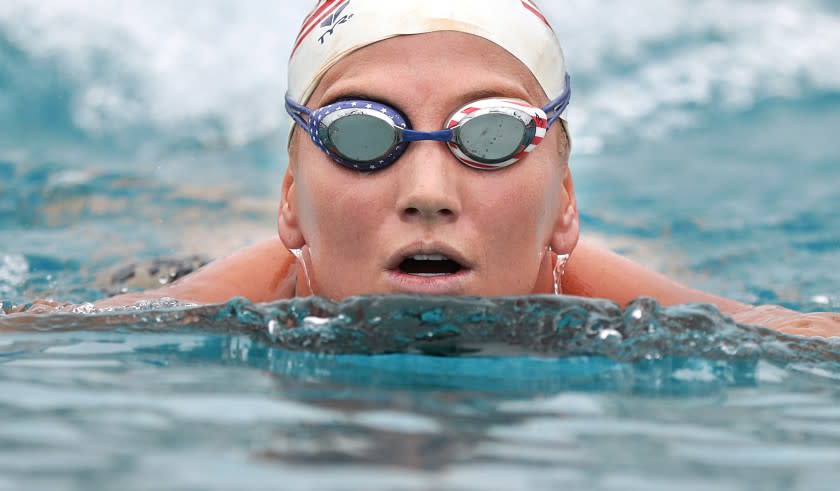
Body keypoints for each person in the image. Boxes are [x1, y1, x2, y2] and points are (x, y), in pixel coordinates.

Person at [94, 0, 839, 336]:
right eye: (361, 136)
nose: (428, 195)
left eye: (491, 135)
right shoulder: (198, 307)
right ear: (290, 197)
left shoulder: (643, 311)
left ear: (566, 199)